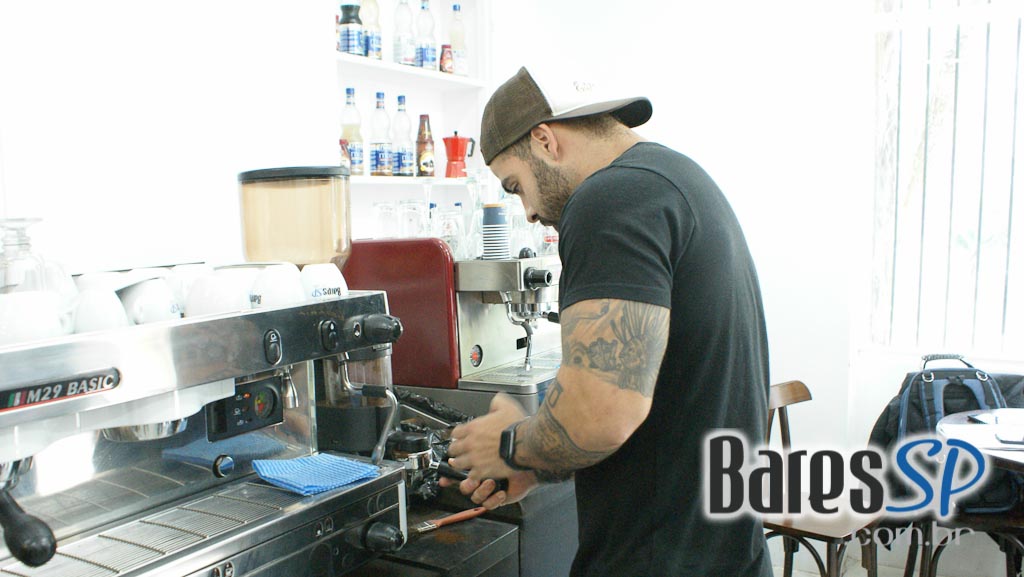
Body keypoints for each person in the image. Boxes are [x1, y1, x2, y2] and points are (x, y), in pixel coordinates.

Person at [444, 66, 772, 576]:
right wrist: (540, 463)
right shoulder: (676, 178)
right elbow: (654, 404)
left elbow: (602, 415)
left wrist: (511, 445)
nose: (528, 211)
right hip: (725, 552)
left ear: (545, 140)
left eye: (516, 185)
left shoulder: (610, 199)